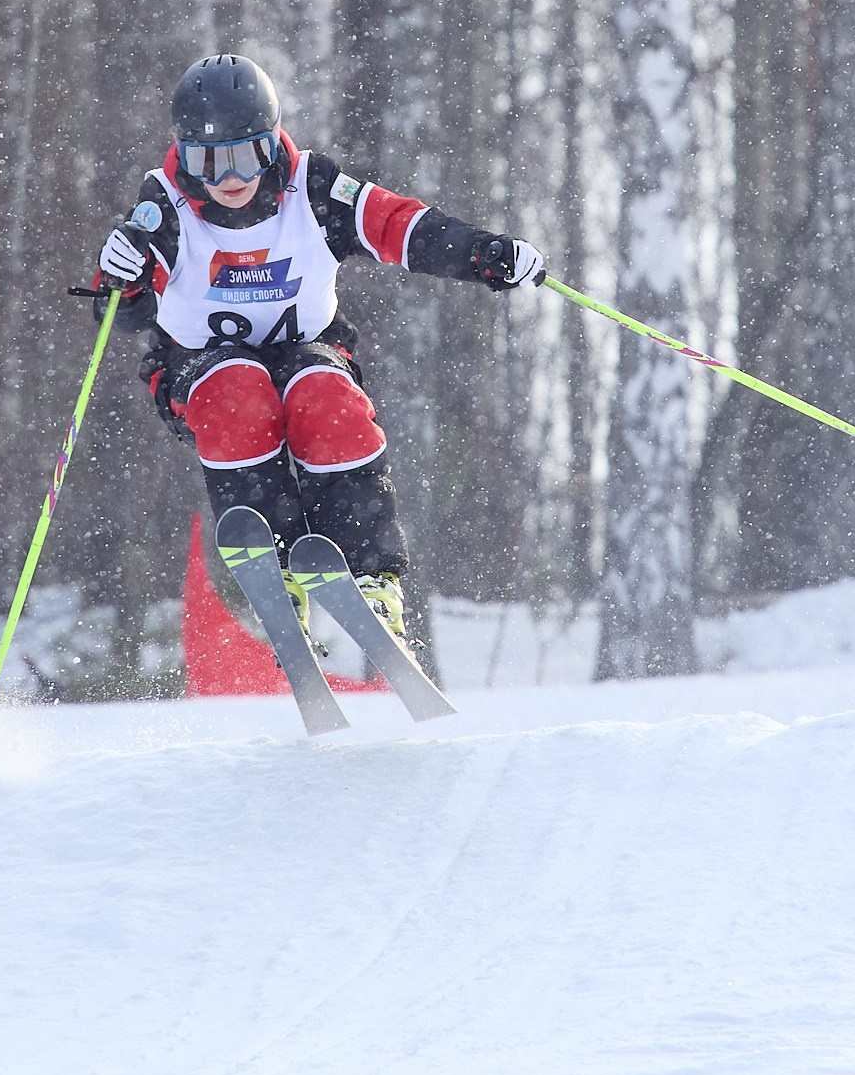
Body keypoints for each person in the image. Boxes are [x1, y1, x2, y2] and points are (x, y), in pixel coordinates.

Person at [92, 53, 545, 646]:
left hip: (308, 347)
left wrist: (485, 255)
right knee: (239, 392)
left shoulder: (314, 188)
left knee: (325, 397)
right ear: (185, 156)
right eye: (208, 161)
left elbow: (400, 225)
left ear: (271, 145)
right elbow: (121, 315)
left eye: (246, 155)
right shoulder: (164, 209)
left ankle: (374, 578)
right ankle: (273, 570)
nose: (229, 178)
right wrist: (119, 280)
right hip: (200, 365)